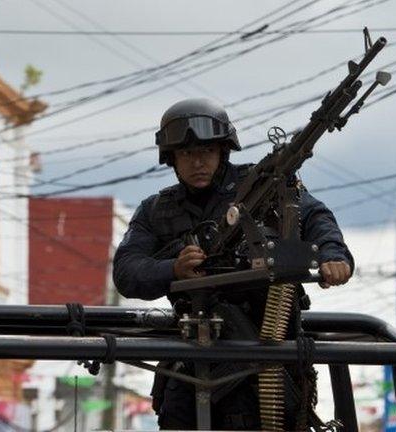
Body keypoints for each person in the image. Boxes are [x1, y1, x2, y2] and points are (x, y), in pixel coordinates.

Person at [113, 98, 354, 430]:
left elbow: (314, 216)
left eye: (207, 152)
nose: (198, 162)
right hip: (192, 361)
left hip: (267, 357)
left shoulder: (261, 187)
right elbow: (126, 271)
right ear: (171, 159)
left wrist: (333, 255)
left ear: (223, 152)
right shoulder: (156, 210)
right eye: (186, 154)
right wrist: (173, 269)